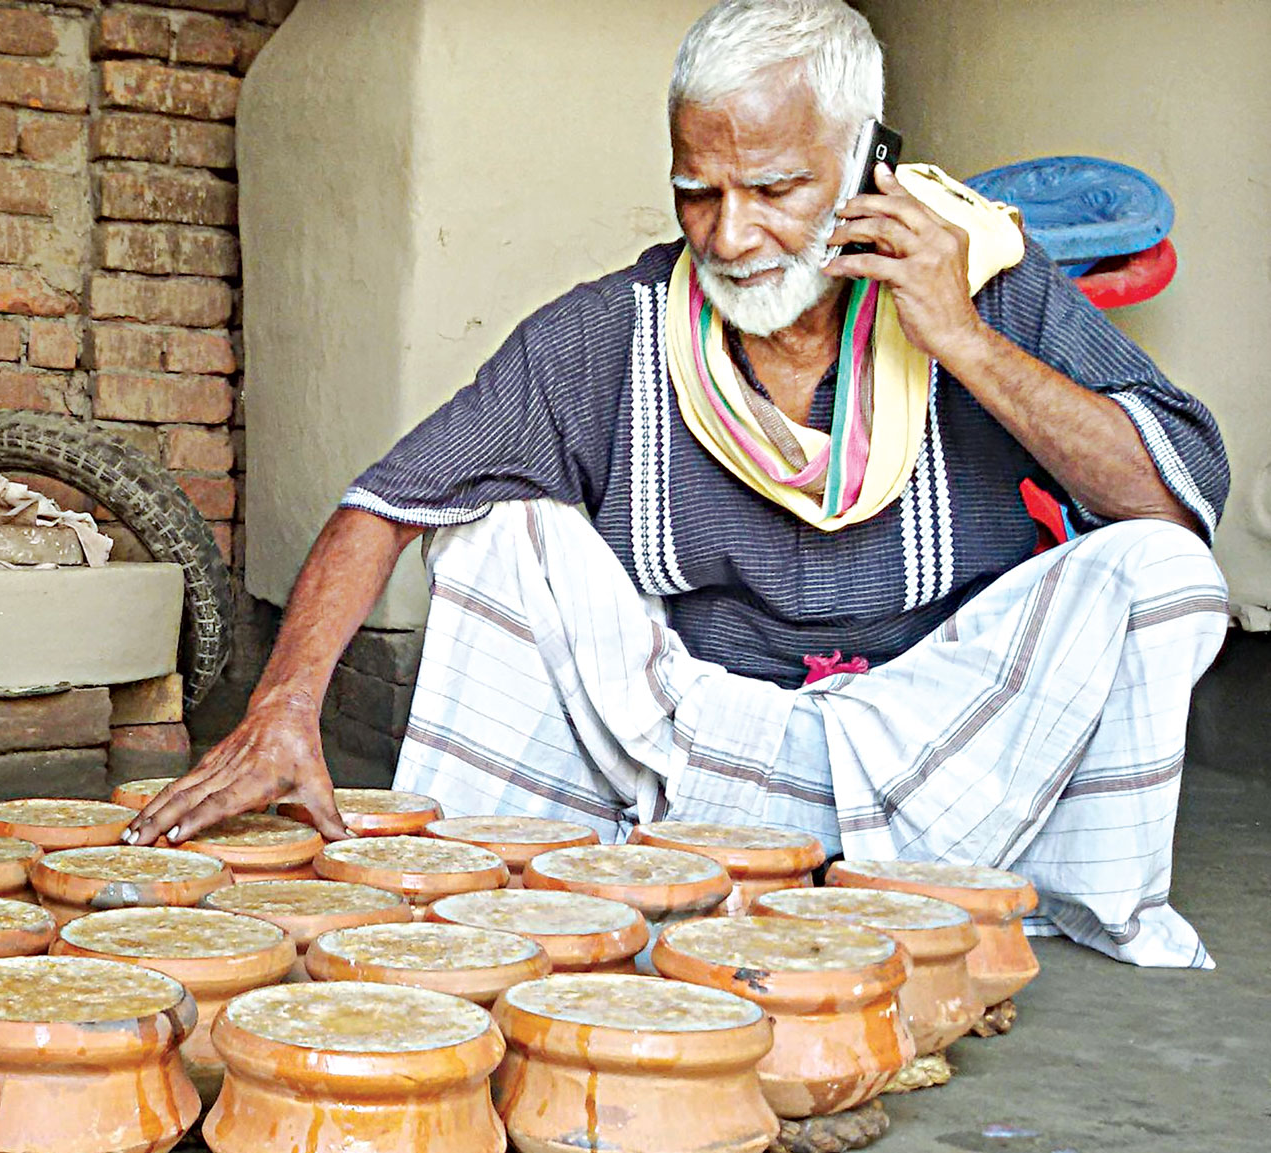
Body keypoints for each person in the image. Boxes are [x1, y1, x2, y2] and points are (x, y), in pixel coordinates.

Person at [128, 0, 1232, 969]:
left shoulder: (983, 287)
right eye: (696, 193)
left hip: (942, 744)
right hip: (691, 750)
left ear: (865, 166)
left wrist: (963, 340)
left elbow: (1176, 499)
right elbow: (387, 503)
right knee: (499, 533)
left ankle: (967, 889)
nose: (731, 233)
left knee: (1162, 571)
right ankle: (554, 882)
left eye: (776, 188)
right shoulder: (616, 329)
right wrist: (282, 711)